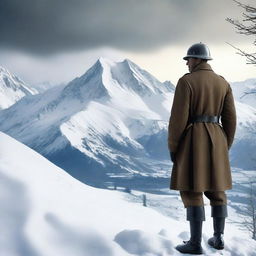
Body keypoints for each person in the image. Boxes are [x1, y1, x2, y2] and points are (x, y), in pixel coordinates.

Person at [168, 43, 236, 254]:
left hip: (192, 139)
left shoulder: (186, 82)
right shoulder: (223, 83)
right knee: (217, 190)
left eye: (188, 59)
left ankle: (195, 243)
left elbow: (177, 120)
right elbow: (231, 119)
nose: (187, 63)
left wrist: (174, 147)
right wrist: (225, 144)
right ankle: (218, 238)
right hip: (218, 137)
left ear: (197, 59)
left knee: (191, 189)